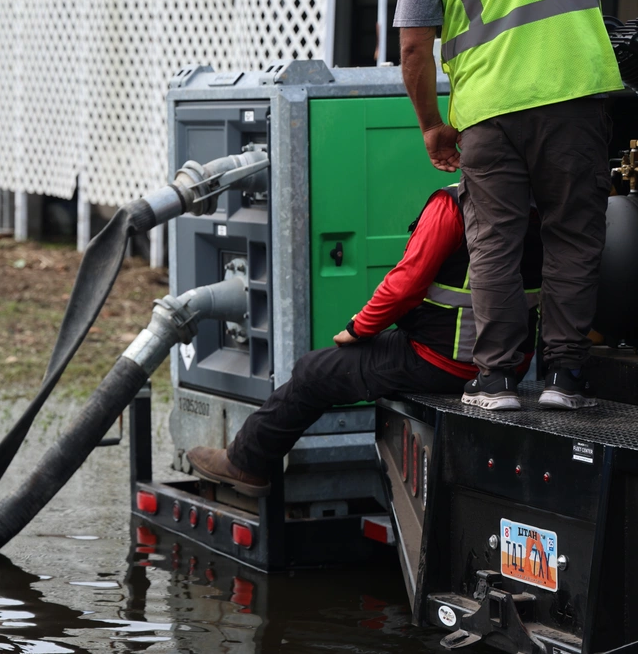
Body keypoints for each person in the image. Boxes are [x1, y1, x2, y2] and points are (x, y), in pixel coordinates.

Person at [186, 186, 541, 496]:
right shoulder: (543, 202)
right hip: (508, 367)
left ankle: (244, 463)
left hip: (440, 359)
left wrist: (360, 328)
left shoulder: (455, 205)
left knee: (312, 372)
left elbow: (406, 284)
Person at [394, 0, 622, 410]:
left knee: (494, 242)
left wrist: (431, 125)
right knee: (573, 238)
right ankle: (565, 376)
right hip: (575, 96)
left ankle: (495, 378)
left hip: (488, 108)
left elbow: (413, 46)